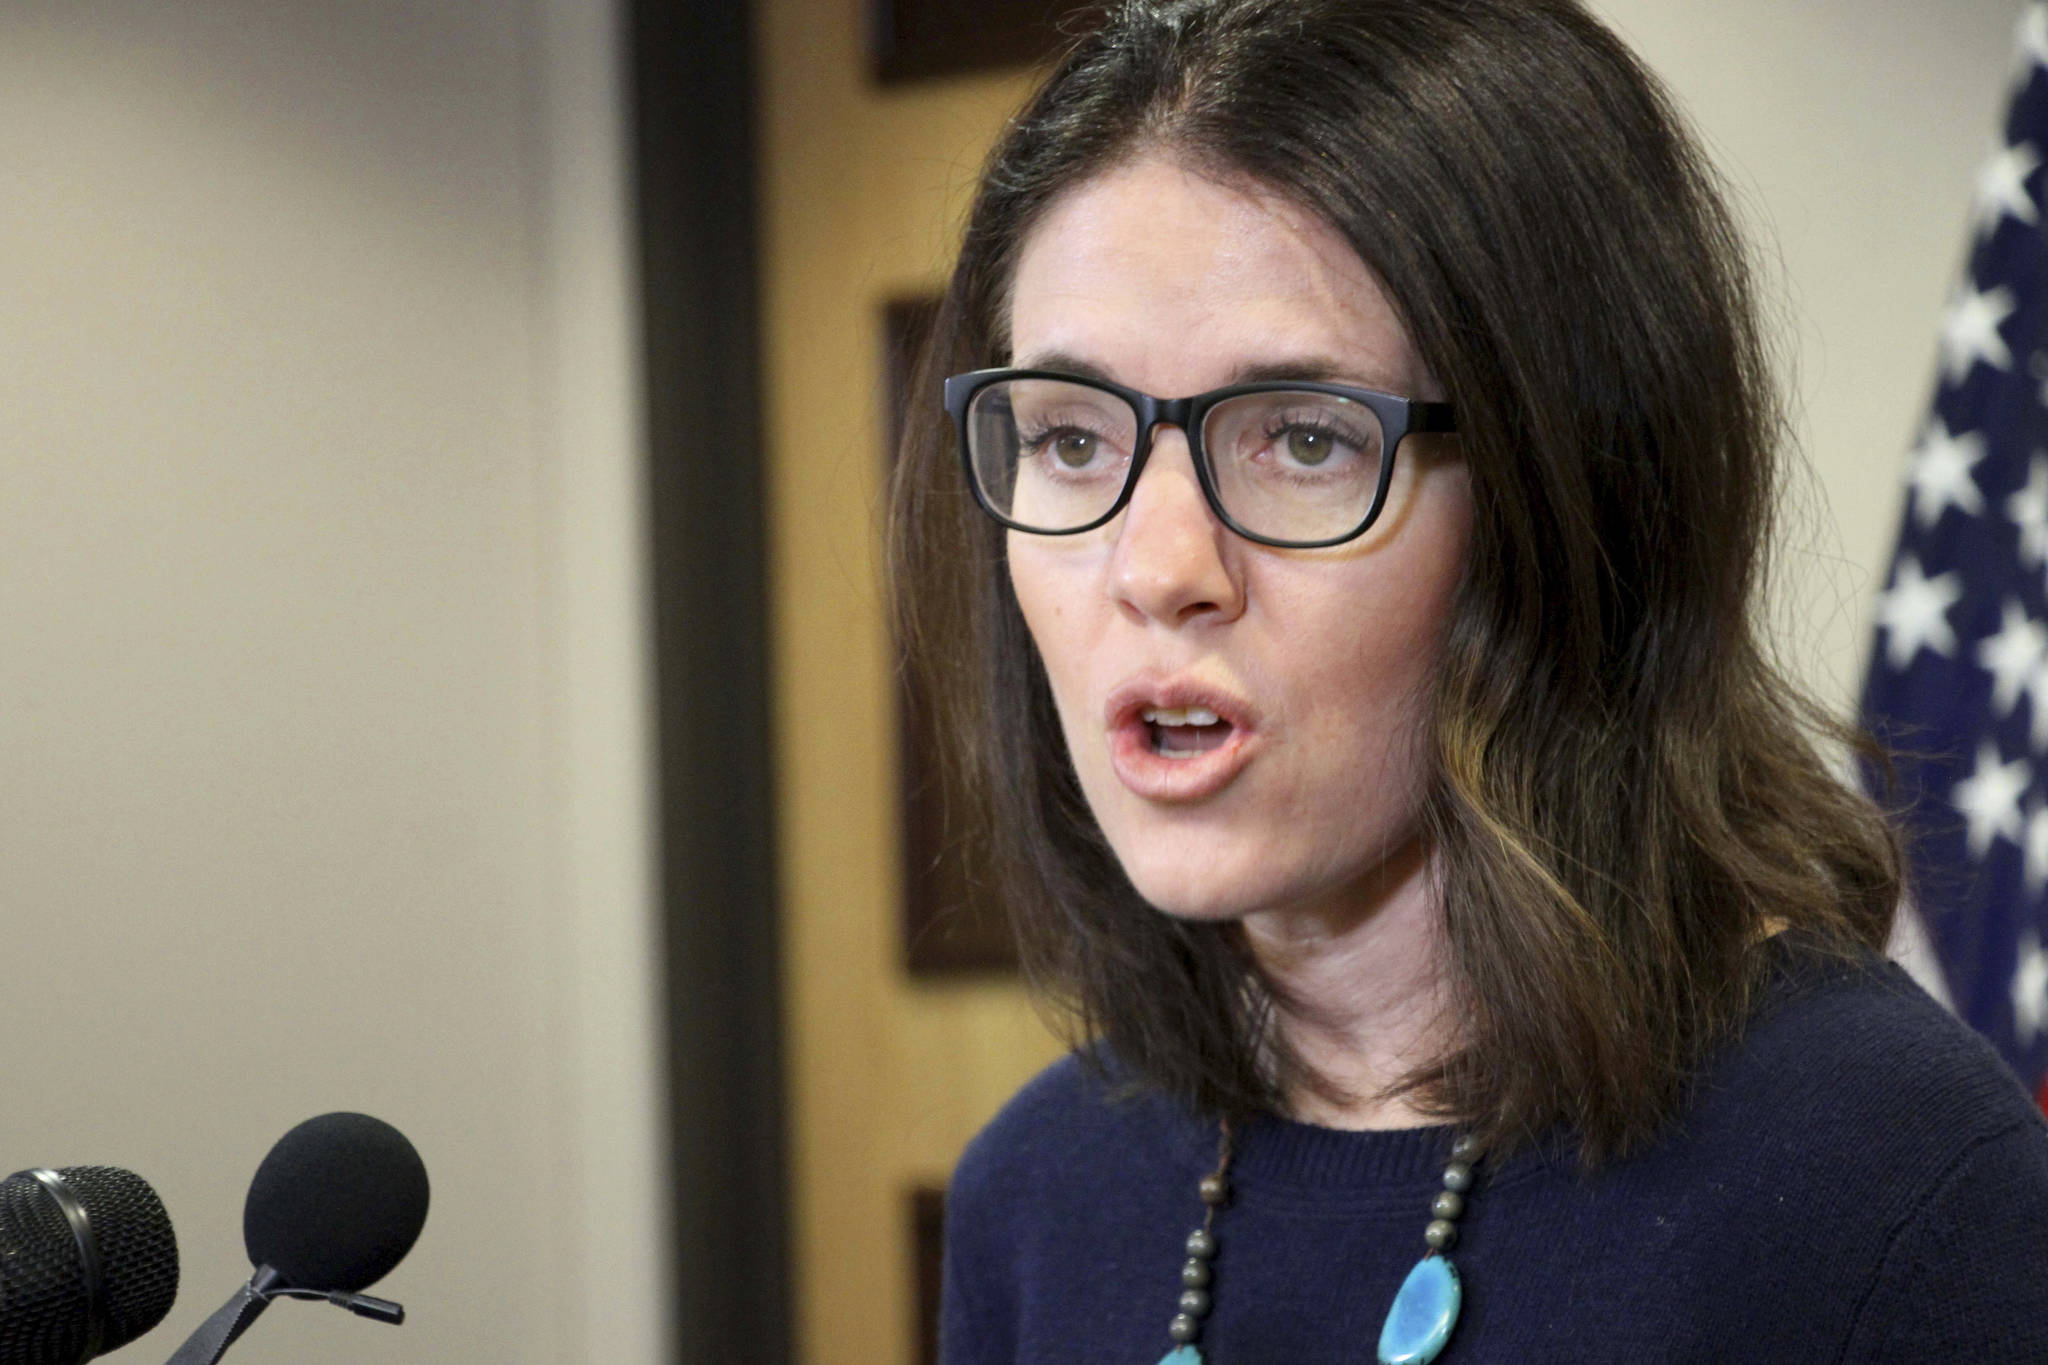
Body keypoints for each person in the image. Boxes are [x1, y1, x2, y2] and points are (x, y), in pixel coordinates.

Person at [886, 1, 2048, 1360]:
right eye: (1072, 437)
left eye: (1305, 438)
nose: (1157, 566)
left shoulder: (1897, 1189)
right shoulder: (1036, 1196)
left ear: (1570, 502)